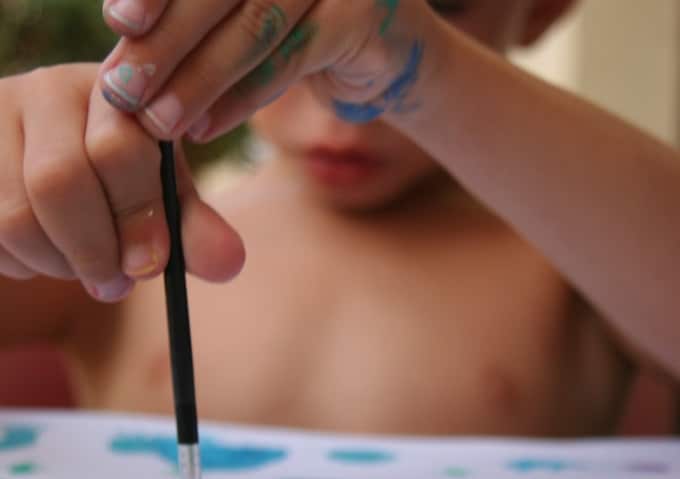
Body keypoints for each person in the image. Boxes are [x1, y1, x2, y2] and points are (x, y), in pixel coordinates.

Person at [0, 0, 678, 435]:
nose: (341, 106)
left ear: (545, 9)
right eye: (272, 17)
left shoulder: (579, 260)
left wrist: (429, 67)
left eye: (437, 8)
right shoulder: (123, 232)